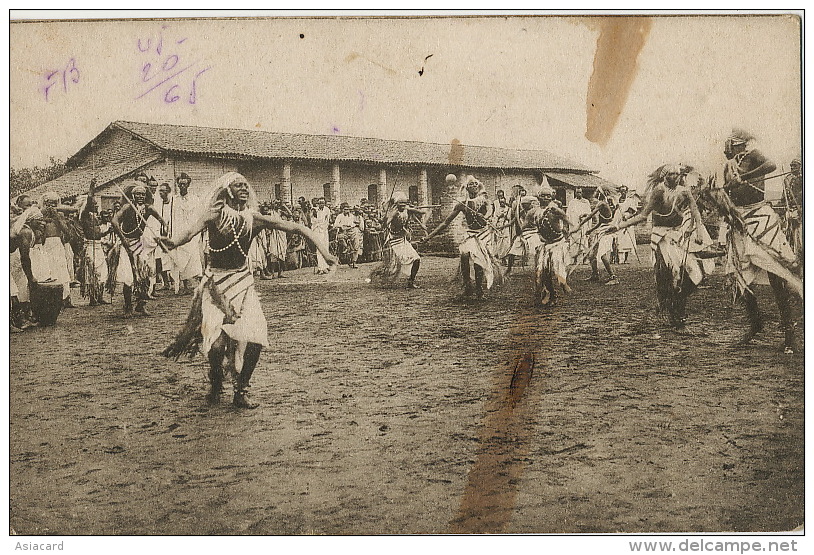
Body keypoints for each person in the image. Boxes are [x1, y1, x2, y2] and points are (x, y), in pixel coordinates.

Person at [161, 172, 338, 409]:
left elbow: (296, 227)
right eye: (238, 185)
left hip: (244, 284)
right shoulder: (215, 215)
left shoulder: (253, 219)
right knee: (216, 348)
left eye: (246, 185)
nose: (244, 188)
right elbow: (190, 231)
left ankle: (241, 389)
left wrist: (324, 251)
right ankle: (216, 380)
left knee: (256, 339)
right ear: (228, 191)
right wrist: (173, 242)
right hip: (216, 286)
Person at [710, 130, 802, 352]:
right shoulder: (729, 165)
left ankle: (789, 335)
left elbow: (770, 166)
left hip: (760, 218)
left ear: (739, 144)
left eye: (730, 144)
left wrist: (746, 177)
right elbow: (729, 192)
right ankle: (756, 324)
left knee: (777, 276)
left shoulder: (755, 155)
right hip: (739, 222)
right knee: (739, 280)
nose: (727, 148)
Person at [610, 165, 715, 331]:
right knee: (671, 274)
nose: (675, 176)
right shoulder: (658, 191)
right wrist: (619, 226)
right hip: (660, 238)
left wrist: (697, 229)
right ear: (665, 176)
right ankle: (676, 313)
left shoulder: (684, 191)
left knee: (695, 274)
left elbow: (695, 210)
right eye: (671, 174)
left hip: (677, 235)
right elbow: (643, 215)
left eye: (677, 174)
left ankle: (676, 303)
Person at [423, 175, 503, 299]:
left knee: (478, 262)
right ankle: (467, 286)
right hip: (470, 234)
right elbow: (446, 222)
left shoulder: (484, 200)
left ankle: (479, 289)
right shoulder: (462, 204)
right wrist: (429, 237)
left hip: (483, 234)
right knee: (464, 255)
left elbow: (490, 211)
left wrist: (486, 217)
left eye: (476, 184)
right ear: (466, 188)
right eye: (471, 184)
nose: (474, 186)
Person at [110, 183, 167, 317]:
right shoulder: (127, 207)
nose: (140, 196)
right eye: (137, 194)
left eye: (142, 194)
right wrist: (123, 239)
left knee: (144, 275)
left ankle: (141, 305)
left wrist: (164, 228)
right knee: (129, 277)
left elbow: (162, 220)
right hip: (126, 246)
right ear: (133, 196)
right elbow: (114, 221)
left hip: (139, 245)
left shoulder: (148, 209)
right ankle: (128, 307)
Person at [370, 192, 425, 288]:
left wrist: (419, 210)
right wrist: (386, 219)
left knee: (417, 259)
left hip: (403, 241)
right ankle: (378, 277)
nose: (403, 206)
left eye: (404, 204)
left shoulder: (407, 209)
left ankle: (411, 281)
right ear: (396, 204)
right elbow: (385, 225)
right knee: (392, 266)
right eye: (401, 204)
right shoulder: (393, 213)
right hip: (393, 241)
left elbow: (420, 212)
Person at [530, 183, 572, 306]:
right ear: (539, 197)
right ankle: (551, 294)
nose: (546, 198)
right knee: (543, 271)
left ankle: (563, 284)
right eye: (543, 196)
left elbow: (566, 218)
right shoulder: (536, 212)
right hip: (545, 244)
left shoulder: (554, 208)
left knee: (557, 269)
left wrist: (568, 231)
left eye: (548, 196)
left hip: (558, 243)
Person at [36, 191, 77, 308]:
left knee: (62, 271)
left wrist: (57, 219)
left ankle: (65, 298)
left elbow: (67, 233)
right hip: (45, 246)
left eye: (54, 204)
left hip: (58, 245)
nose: (51, 207)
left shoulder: (59, 216)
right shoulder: (39, 215)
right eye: (49, 204)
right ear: (44, 203)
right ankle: (51, 300)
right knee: (48, 271)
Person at [166, 172, 204, 294]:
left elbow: (198, 216)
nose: (182, 186)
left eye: (184, 184)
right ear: (177, 185)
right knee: (178, 258)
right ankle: (183, 285)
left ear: (188, 185)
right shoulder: (174, 199)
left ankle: (193, 285)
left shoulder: (194, 199)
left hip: (190, 233)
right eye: (180, 184)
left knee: (192, 258)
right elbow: (170, 217)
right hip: (177, 232)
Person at [77, 179, 110, 306]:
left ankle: (100, 296)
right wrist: (92, 187)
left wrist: (107, 232)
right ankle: (93, 298)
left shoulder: (95, 217)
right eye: (94, 204)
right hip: (90, 246)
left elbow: (98, 234)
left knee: (102, 272)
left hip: (98, 246)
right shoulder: (84, 215)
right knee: (92, 272)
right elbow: (89, 199)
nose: (97, 206)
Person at [583, 187, 618, 284]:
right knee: (592, 255)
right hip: (601, 230)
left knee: (602, 255)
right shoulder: (603, 204)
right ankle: (595, 274)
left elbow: (590, 215)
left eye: (596, 191)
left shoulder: (602, 203)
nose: (594, 193)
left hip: (607, 231)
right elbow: (600, 222)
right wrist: (591, 230)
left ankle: (613, 277)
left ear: (600, 193)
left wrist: (580, 224)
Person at [782, 156, 802, 261]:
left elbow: (801, 196)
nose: (792, 167)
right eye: (791, 166)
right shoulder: (788, 180)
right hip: (789, 211)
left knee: (799, 235)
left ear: (800, 167)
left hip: (800, 212)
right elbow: (784, 196)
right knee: (788, 233)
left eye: (795, 166)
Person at [565, 187, 592, 265]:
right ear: (575, 193)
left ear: (582, 193)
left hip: (584, 225)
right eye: (577, 192)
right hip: (574, 225)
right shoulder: (572, 202)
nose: (578, 194)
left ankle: (583, 259)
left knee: (583, 241)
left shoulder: (586, 202)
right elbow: (568, 214)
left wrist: (584, 215)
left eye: (580, 192)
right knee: (574, 241)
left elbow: (589, 214)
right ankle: (573, 259)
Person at [332, 202, 362, 268]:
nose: (347, 211)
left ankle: (354, 261)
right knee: (341, 238)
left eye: (348, 209)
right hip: (342, 231)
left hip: (351, 230)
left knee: (356, 242)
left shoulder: (351, 216)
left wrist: (350, 227)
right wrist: (341, 226)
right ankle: (346, 247)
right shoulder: (339, 216)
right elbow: (335, 224)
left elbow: (353, 224)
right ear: (342, 210)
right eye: (345, 209)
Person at [613, 186, 638, 264]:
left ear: (627, 191)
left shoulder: (630, 200)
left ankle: (624, 259)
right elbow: (613, 211)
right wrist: (615, 207)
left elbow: (633, 212)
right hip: (617, 221)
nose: (623, 192)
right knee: (616, 239)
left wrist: (627, 216)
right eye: (621, 191)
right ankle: (616, 258)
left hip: (626, 221)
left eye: (624, 191)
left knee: (626, 240)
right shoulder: (617, 200)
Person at [310, 196, 332, 274]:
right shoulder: (314, 210)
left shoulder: (327, 210)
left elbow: (327, 220)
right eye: (320, 203)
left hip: (324, 231)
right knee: (319, 249)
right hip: (317, 230)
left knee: (325, 248)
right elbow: (313, 221)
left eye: (323, 203)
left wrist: (324, 228)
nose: (321, 204)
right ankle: (320, 267)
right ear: (318, 203)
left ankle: (326, 266)